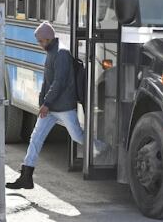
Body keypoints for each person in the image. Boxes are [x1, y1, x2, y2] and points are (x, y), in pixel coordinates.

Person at [6, 21, 104, 189]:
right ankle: (26, 176)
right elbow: (47, 81)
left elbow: (59, 83)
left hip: (64, 106)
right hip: (51, 108)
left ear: (48, 38)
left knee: (78, 136)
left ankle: (104, 148)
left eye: (40, 41)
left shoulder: (61, 54)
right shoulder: (52, 51)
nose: (39, 44)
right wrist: (42, 102)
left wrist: (46, 103)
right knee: (36, 138)